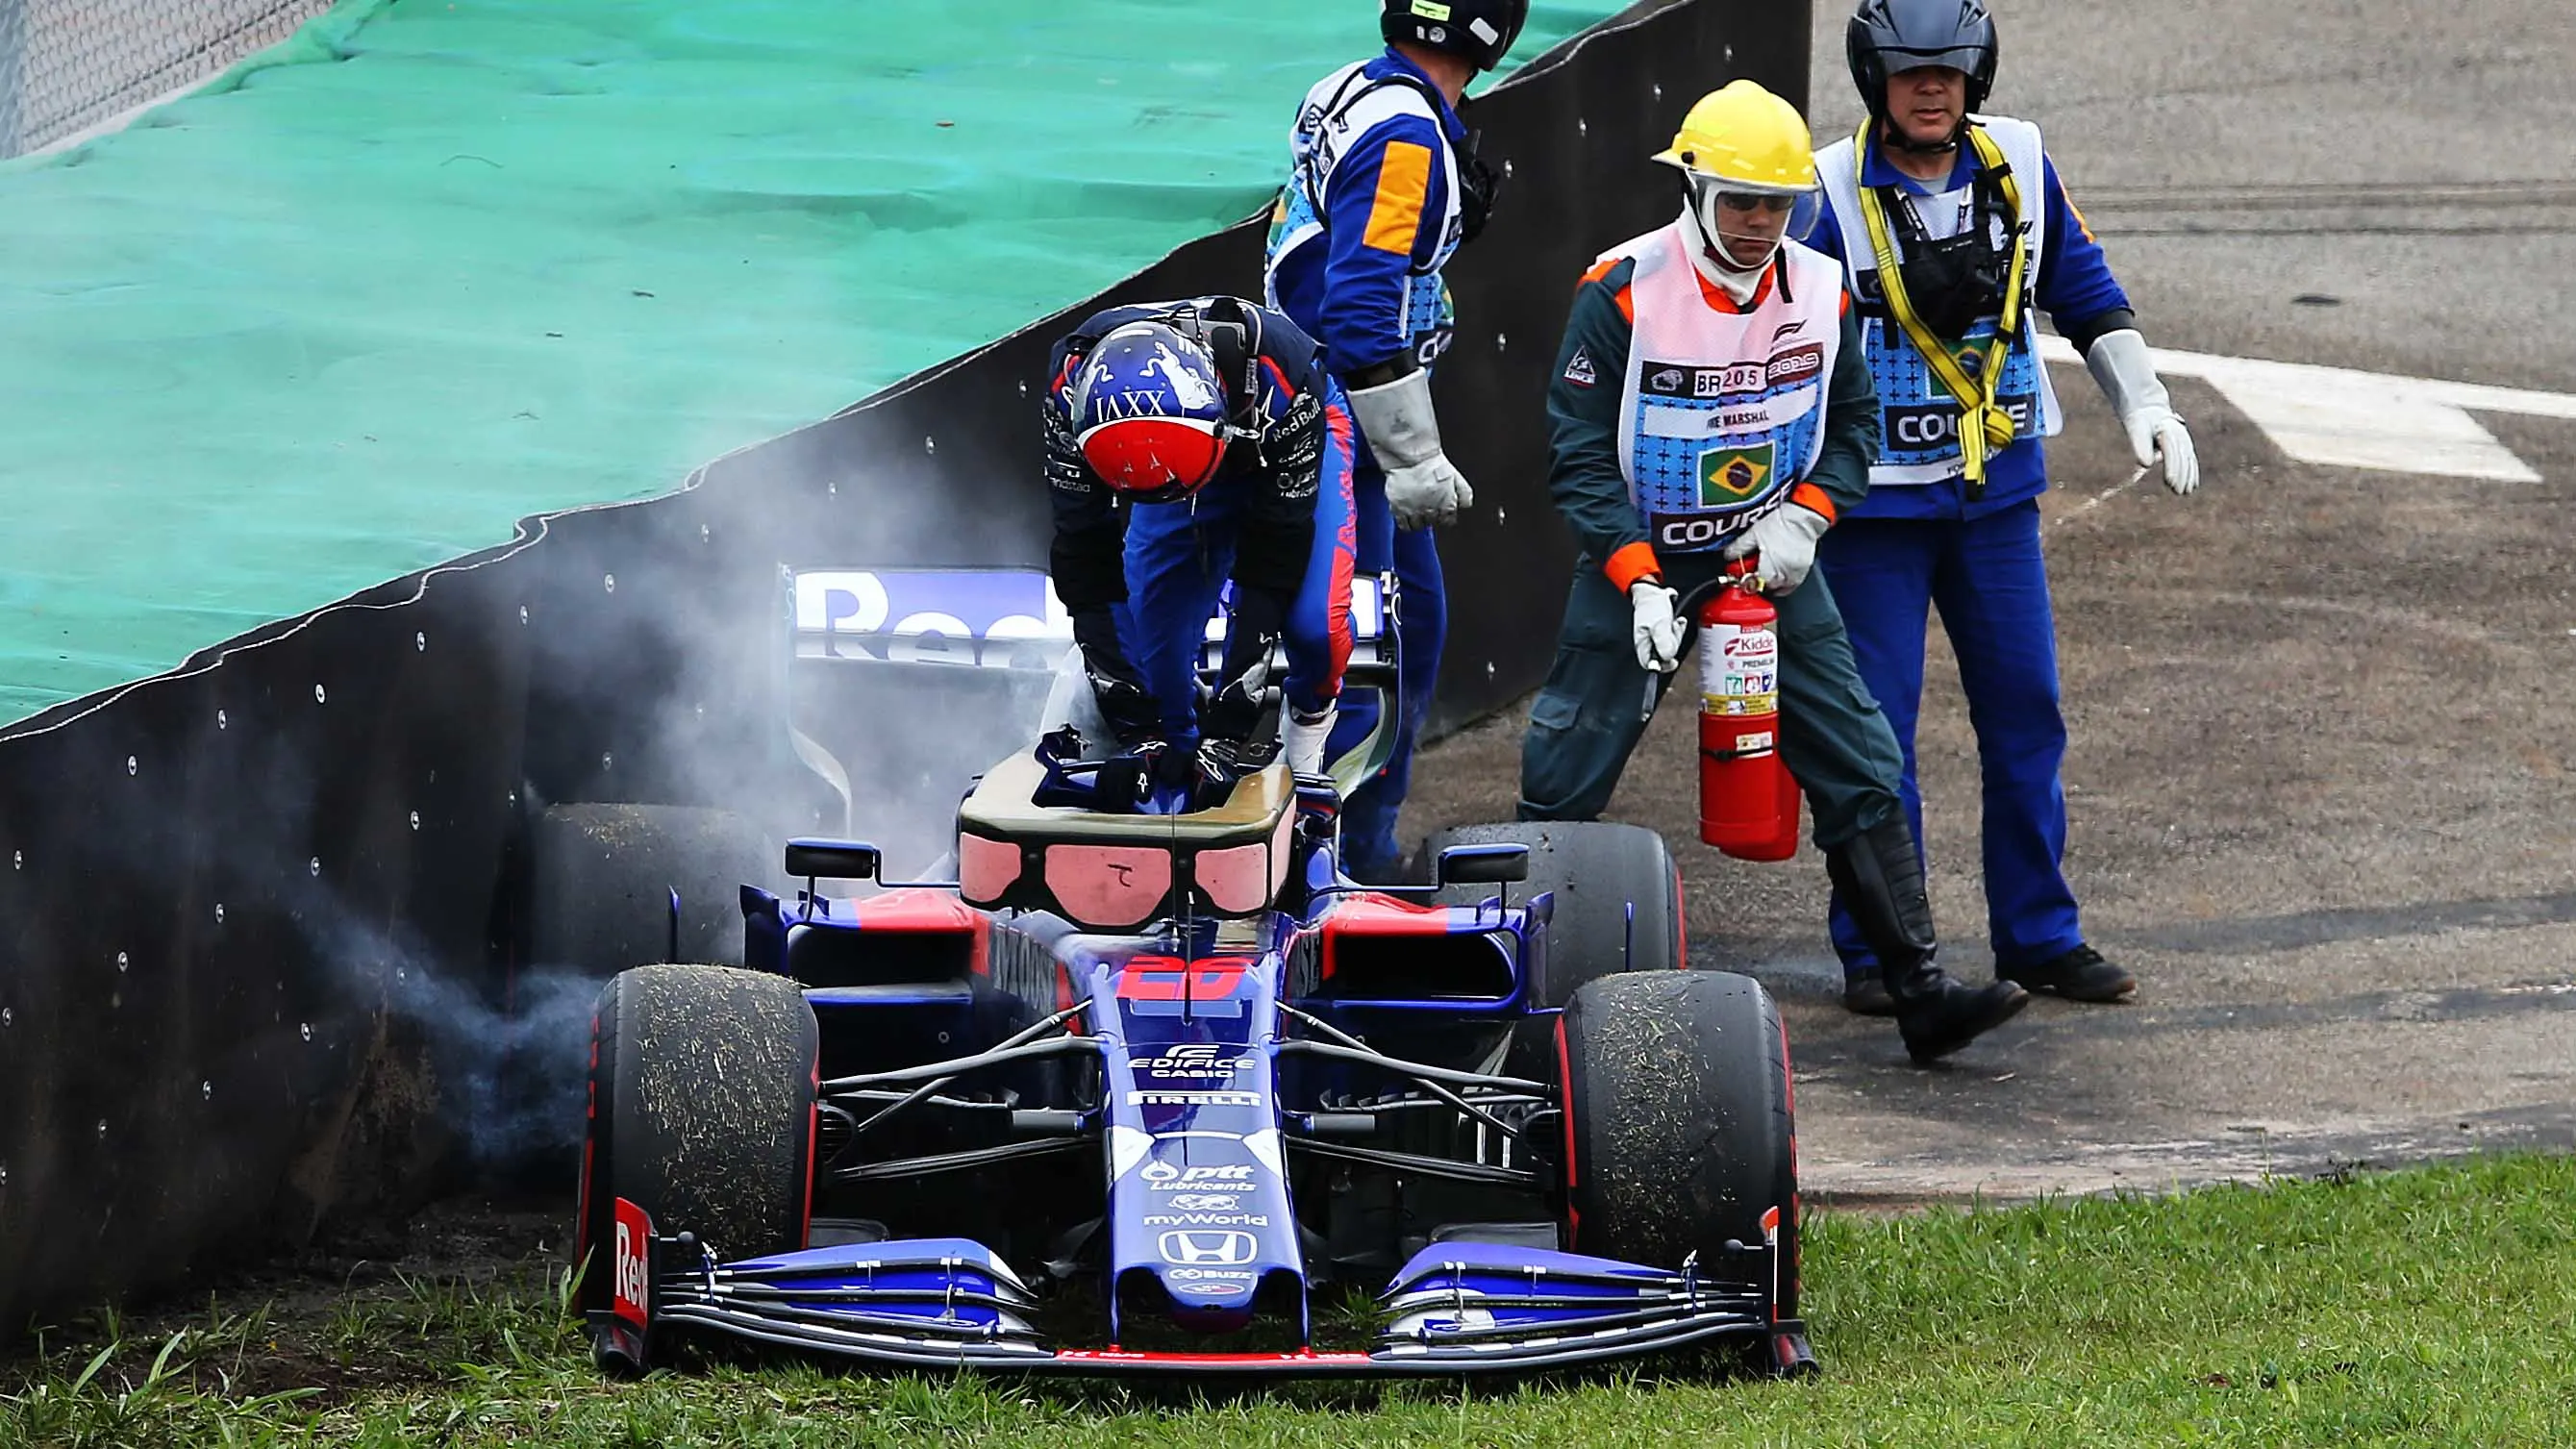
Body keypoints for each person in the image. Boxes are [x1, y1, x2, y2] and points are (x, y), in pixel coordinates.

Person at [1515, 81, 2026, 1063]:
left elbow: (1853, 427)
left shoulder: (1825, 290)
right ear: (1694, 188)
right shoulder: (1620, 290)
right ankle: (1517, 989)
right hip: (1646, 567)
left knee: (1862, 761)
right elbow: (1576, 454)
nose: (1759, 223)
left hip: (1772, 568)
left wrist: (1807, 518)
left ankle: (1920, 991)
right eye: (1740, 200)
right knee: (1566, 770)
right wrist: (1636, 575)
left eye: (1778, 203)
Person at [1808, 0, 2200, 1014]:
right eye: (1909, 72)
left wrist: (2144, 401)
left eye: (1949, 71)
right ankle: (1882, 953)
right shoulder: (1827, 191)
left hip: (1996, 502)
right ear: (1874, 80)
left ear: (1975, 78)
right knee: (1874, 738)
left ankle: (2040, 936)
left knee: (2027, 714)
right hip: (1874, 515)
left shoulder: (2021, 160)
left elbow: (2086, 289)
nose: (1930, 87)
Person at [1263, 0, 1524, 877]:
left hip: (1318, 403)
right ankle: (1335, 869)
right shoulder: (1407, 138)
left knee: (1410, 627)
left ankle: (1355, 847)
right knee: (1366, 651)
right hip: (1348, 422)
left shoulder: (1349, 86)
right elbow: (1364, 308)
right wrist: (1411, 453)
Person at [1037, 296, 1358, 810]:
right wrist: (1138, 727)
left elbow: (1275, 558)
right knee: (1150, 663)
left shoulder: (1283, 379)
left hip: (1281, 437)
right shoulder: (1066, 391)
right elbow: (1084, 557)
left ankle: (1309, 742)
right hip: (1176, 459)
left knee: (1317, 627)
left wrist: (1230, 732)